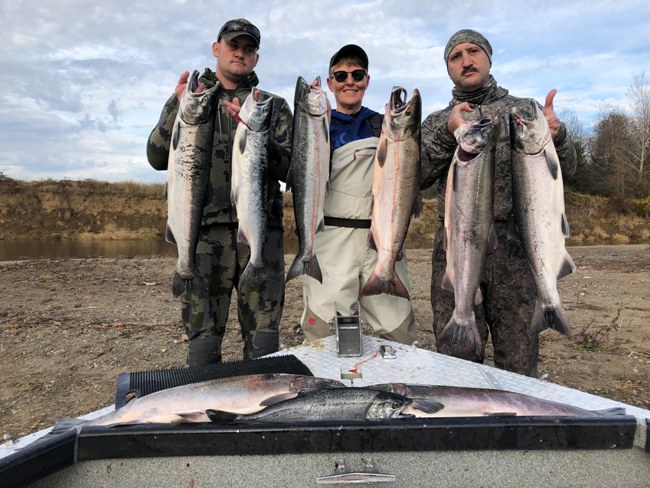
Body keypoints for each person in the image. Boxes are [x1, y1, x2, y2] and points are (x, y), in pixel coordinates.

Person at [420, 29, 577, 377]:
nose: (466, 60)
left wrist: (558, 136)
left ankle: (516, 426)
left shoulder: (525, 112)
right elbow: (416, 177)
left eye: (473, 51)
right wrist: (449, 134)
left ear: (489, 58)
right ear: (448, 69)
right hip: (457, 245)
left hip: (517, 249)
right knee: (457, 360)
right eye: (455, 56)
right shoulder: (437, 122)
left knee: (518, 362)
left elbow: (568, 169)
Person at [146, 18, 293, 367]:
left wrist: (259, 138)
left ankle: (260, 411)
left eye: (248, 49)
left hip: (261, 233)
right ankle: (201, 409)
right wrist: (175, 103)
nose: (240, 53)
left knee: (264, 340)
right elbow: (155, 157)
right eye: (233, 46)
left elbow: (291, 169)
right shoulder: (191, 100)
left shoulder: (273, 105)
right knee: (203, 341)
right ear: (217, 49)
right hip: (202, 233)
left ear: (257, 58)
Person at [300, 44, 417, 345]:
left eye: (357, 74)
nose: (349, 81)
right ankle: (329, 389)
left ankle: (394, 388)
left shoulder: (384, 126)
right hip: (331, 241)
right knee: (324, 332)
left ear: (367, 80)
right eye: (340, 75)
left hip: (383, 240)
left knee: (396, 331)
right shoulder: (315, 128)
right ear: (330, 83)